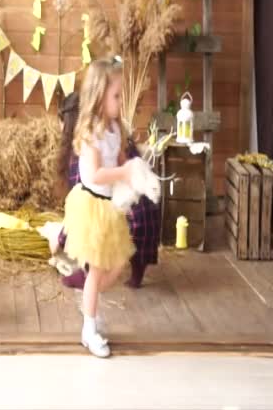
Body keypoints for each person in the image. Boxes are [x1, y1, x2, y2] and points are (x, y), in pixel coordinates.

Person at [63, 58, 135, 358]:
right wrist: (123, 173)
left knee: (117, 266)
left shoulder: (115, 128)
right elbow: (94, 175)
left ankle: (88, 304)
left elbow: (118, 161)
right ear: (99, 96)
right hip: (92, 207)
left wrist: (132, 177)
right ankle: (89, 328)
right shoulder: (92, 132)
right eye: (117, 95)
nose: (121, 101)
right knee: (98, 271)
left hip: (110, 206)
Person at [56, 101, 160, 290]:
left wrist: (61, 240)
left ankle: (90, 275)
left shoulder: (85, 149)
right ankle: (137, 270)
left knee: (93, 227)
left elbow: (84, 202)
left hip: (123, 217)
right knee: (139, 212)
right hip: (149, 218)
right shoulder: (117, 136)